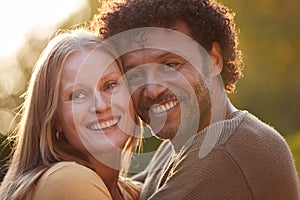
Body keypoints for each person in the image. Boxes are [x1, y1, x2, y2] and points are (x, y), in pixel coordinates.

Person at [92, 0, 300, 199]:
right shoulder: (176, 149)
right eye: (135, 75)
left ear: (214, 59)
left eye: (170, 65)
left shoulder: (226, 148)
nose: (152, 91)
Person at [0, 29, 143, 200]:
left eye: (110, 85)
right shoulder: (66, 180)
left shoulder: (134, 193)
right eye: (78, 95)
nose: (101, 105)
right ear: (55, 119)